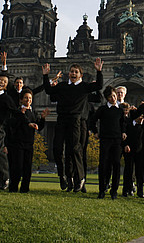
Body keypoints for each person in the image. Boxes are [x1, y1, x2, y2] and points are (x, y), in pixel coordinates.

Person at [42, 58, 103, 192]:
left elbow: (99, 85)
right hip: (62, 119)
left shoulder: (84, 87)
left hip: (76, 120)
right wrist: (45, 75)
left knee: (75, 149)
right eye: (71, 71)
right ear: (68, 74)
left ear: (80, 75)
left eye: (76, 72)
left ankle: (80, 178)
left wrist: (99, 71)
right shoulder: (63, 86)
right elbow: (48, 91)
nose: (73, 74)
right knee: (57, 148)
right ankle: (63, 176)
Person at [5, 89, 50, 193]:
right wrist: (21, 117)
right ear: (21, 100)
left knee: (27, 167)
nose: (28, 100)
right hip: (17, 143)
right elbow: (11, 126)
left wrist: (43, 118)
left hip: (29, 143)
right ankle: (13, 188)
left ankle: (25, 189)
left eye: (30, 98)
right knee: (17, 167)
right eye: (26, 98)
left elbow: (39, 127)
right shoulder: (16, 112)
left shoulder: (32, 112)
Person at [91, 86, 126, 199]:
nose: (113, 98)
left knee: (116, 165)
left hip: (117, 140)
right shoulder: (102, 109)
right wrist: (95, 132)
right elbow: (92, 121)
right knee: (103, 165)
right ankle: (102, 189)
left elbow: (123, 124)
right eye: (110, 97)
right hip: (105, 139)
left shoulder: (120, 110)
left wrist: (124, 132)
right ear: (107, 98)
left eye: (114, 96)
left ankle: (114, 191)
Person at [122, 103, 143, 197]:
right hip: (129, 149)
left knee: (139, 171)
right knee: (129, 170)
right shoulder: (128, 123)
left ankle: (139, 190)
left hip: (141, 150)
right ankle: (126, 189)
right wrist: (126, 144)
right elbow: (125, 134)